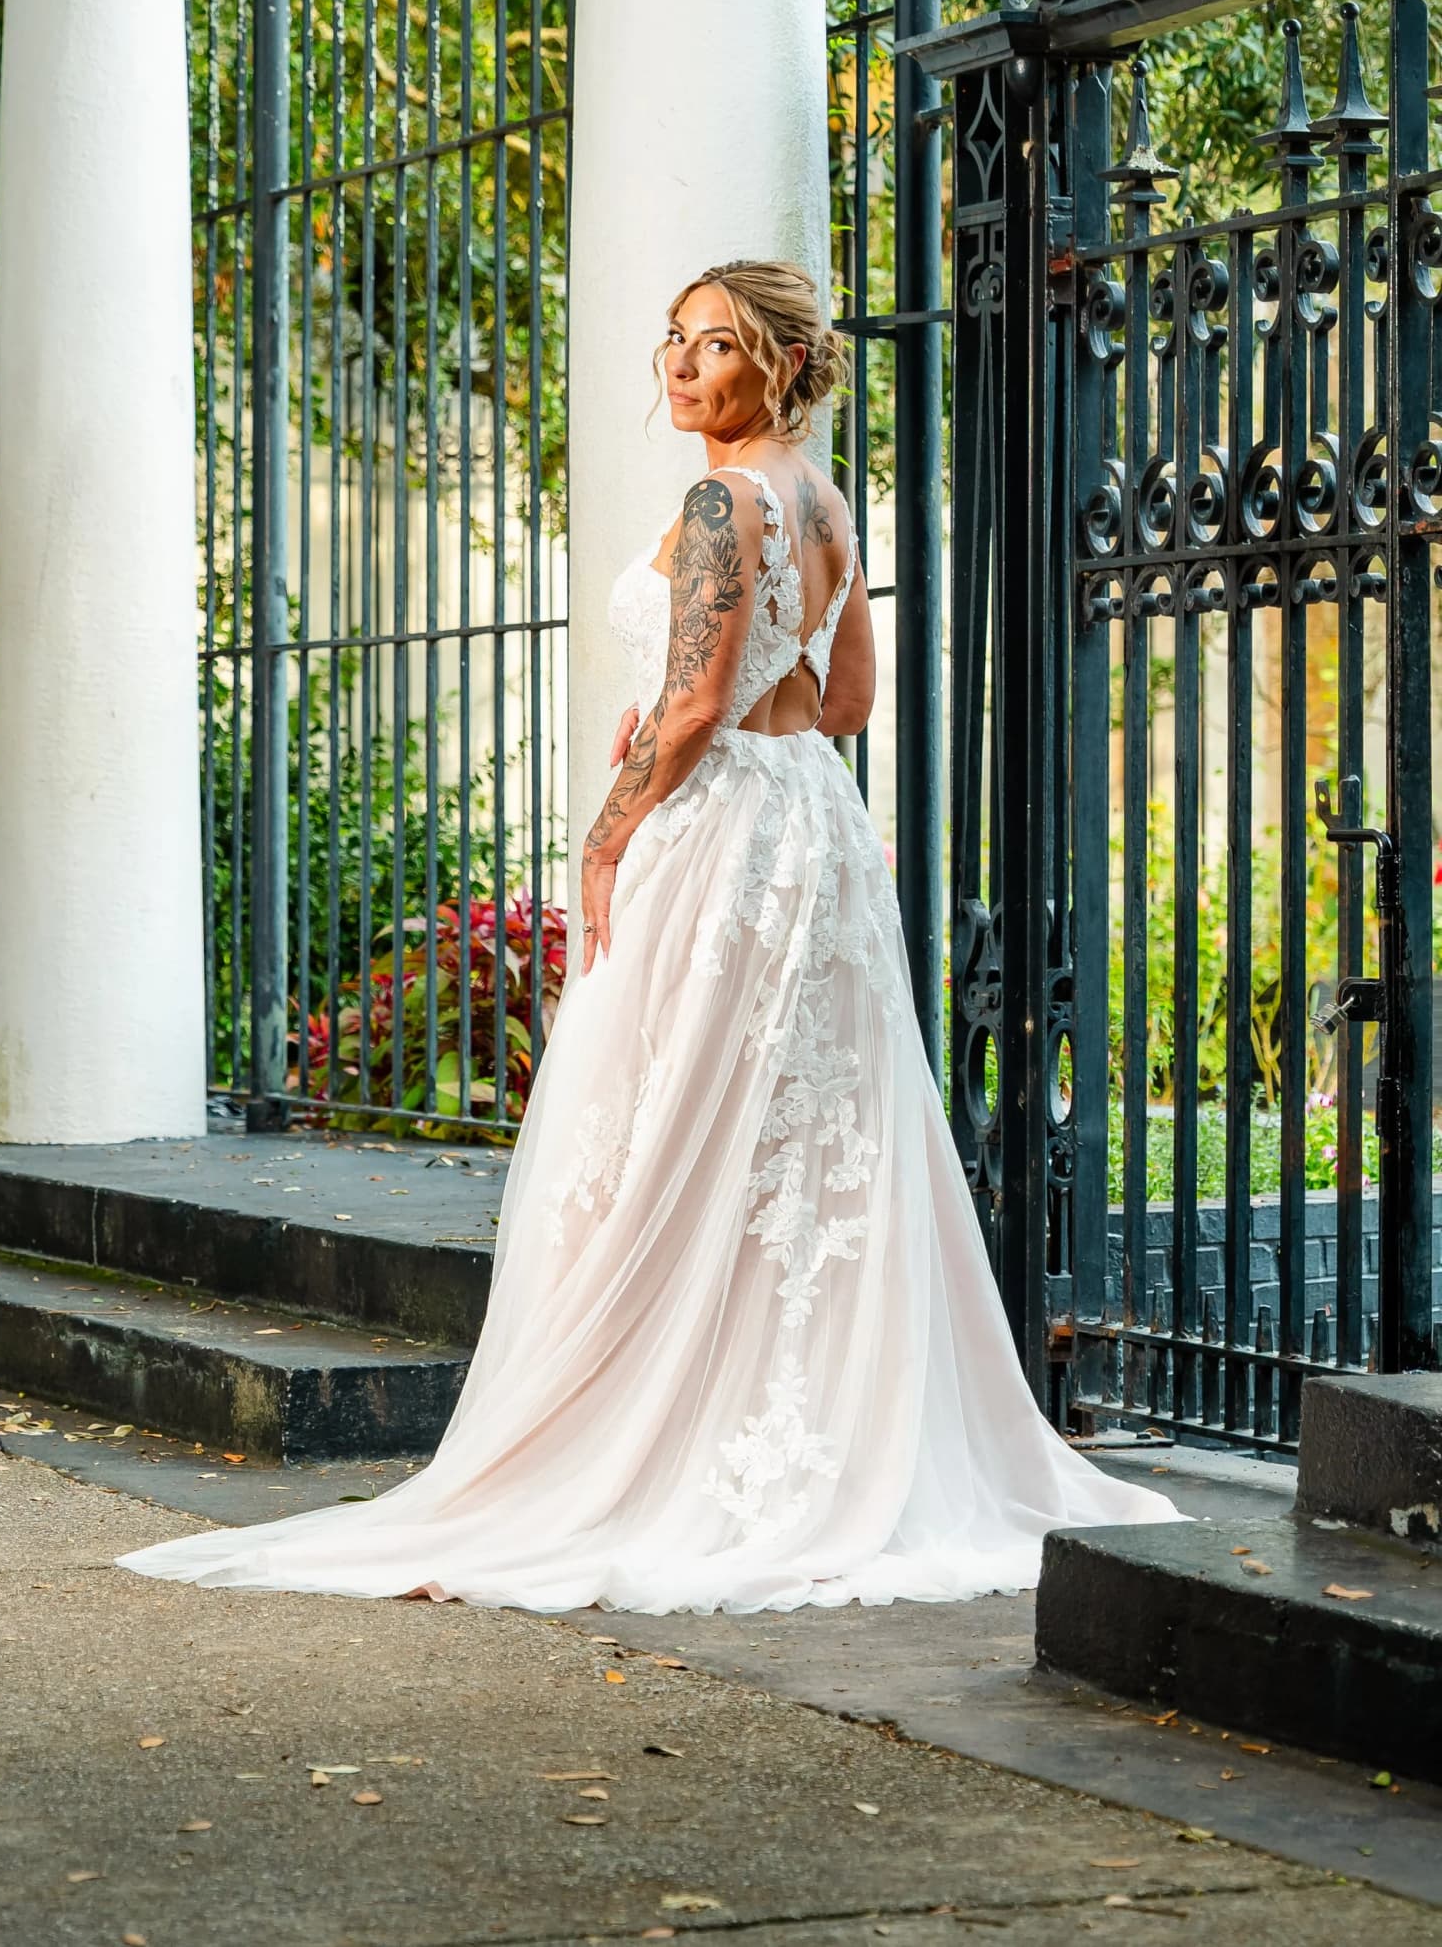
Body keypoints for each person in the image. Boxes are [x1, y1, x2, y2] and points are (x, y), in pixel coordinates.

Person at [119, 259, 1176, 1611]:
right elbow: (845, 700)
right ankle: (790, 1424)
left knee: (672, 1122)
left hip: (725, 834)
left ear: (781, 364)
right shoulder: (824, 499)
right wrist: (738, 689)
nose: (681, 367)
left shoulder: (723, 498)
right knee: (790, 1139)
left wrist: (608, 830)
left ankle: (668, 1430)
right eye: (673, 340)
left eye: (716, 345)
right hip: (817, 832)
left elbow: (686, 714)